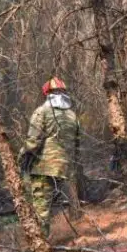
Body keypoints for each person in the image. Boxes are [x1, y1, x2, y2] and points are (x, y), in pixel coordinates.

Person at [20, 77, 80, 237]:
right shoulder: (72, 115)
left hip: (43, 168)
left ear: (46, 93)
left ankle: (41, 248)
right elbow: (76, 143)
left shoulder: (42, 111)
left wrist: (20, 157)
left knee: (40, 211)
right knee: (48, 208)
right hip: (62, 169)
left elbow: (33, 141)